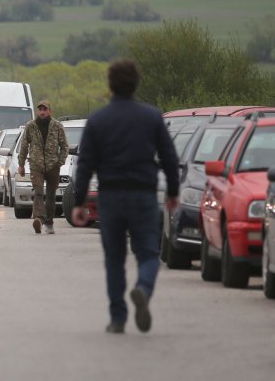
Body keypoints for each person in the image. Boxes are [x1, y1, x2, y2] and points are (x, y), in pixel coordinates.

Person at [71, 59, 179, 335]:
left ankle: (117, 318)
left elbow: (85, 163)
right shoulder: (152, 117)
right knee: (148, 253)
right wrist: (173, 192)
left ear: (110, 85)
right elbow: (169, 156)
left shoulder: (98, 120)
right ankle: (143, 288)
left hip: (110, 197)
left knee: (114, 259)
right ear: (136, 83)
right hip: (143, 196)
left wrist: (80, 201)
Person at [17, 100, 69, 235]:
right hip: (36, 165)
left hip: (53, 165)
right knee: (39, 192)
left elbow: (64, 146)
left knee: (51, 195)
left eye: (45, 109)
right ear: (37, 111)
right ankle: (39, 219)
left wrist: (60, 161)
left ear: (49, 111)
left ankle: (49, 222)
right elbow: (24, 146)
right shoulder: (31, 126)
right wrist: (21, 164)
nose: (42, 112)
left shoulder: (57, 126)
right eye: (40, 109)